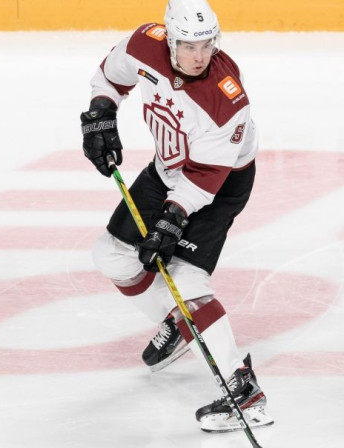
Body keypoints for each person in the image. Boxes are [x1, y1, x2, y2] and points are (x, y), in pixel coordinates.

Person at [79, 0, 273, 431]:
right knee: (111, 255)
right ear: (169, 39)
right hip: (167, 168)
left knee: (184, 277)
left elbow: (207, 175)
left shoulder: (226, 98)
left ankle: (245, 391)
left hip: (218, 185)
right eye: (188, 45)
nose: (200, 56)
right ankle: (182, 325)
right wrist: (101, 113)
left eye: (207, 45)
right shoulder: (144, 44)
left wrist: (172, 219)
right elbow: (109, 77)